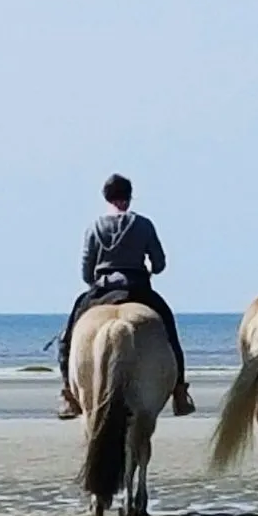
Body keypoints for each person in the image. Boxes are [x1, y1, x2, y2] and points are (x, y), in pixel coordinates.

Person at [57, 174, 195, 420]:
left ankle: (68, 393)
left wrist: (97, 281)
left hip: (102, 288)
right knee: (170, 332)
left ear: (106, 197)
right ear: (129, 197)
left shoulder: (94, 227)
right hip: (138, 287)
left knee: (67, 338)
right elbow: (160, 263)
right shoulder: (143, 225)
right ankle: (180, 392)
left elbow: (86, 271)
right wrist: (150, 269)